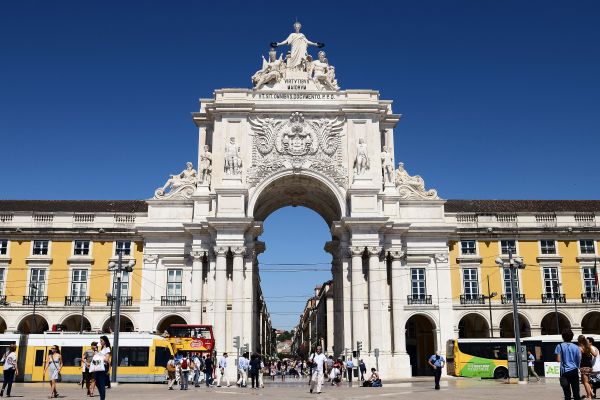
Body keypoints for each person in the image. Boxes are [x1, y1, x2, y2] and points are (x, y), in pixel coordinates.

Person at [556, 328, 581, 400]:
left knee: (567, 393)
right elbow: (578, 360)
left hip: (564, 372)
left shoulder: (559, 346)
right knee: (576, 392)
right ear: (572, 337)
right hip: (574, 370)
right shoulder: (576, 347)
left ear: (562, 337)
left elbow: (558, 360)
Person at [579, 335, 595, 399]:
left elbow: (578, 358)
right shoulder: (589, 347)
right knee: (586, 381)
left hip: (583, 366)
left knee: (585, 382)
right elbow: (594, 354)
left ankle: (589, 396)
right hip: (589, 366)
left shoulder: (580, 348)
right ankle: (591, 393)